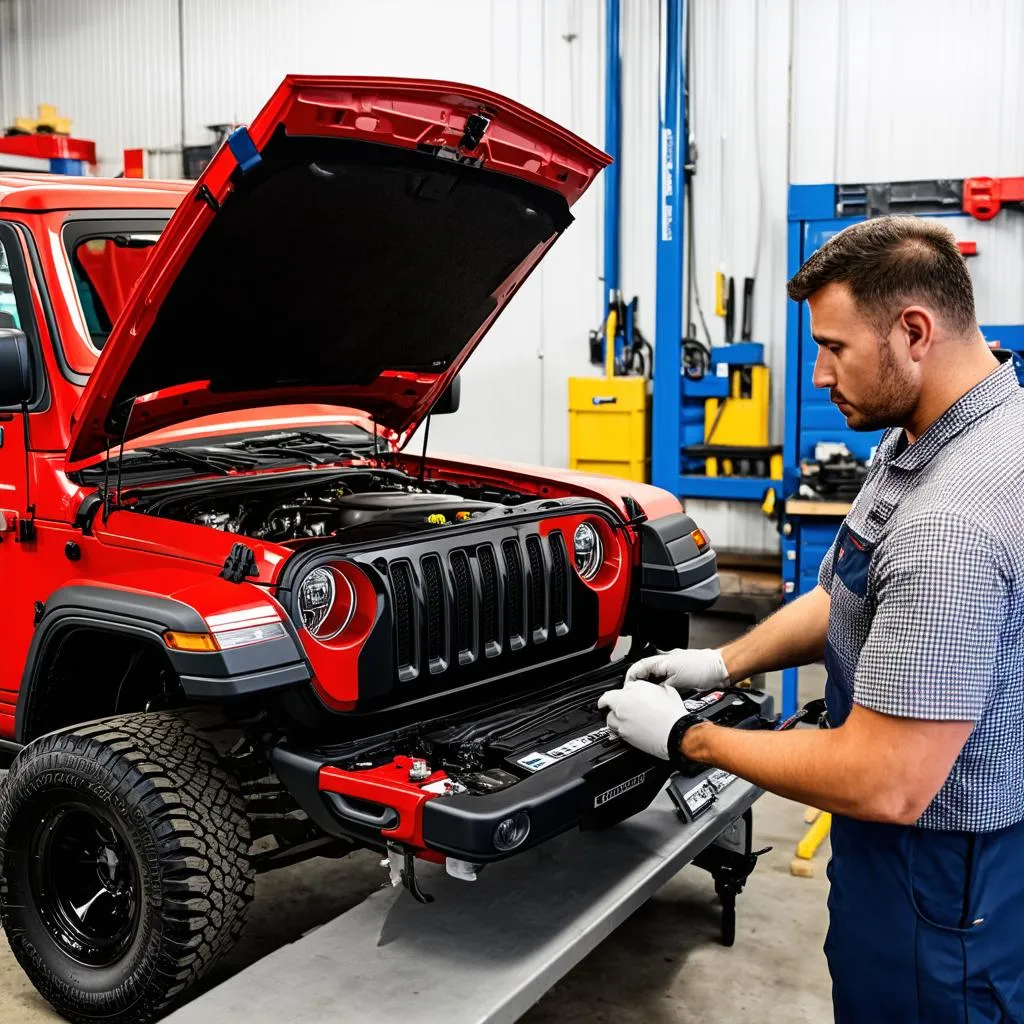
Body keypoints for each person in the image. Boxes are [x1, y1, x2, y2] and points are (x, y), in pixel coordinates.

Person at [599, 215, 1024, 1022]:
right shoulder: (937, 435)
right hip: (933, 854)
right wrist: (725, 665)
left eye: (834, 347)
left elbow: (885, 780)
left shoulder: (951, 523)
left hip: (935, 878)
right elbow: (844, 591)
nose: (819, 373)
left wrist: (688, 739)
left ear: (914, 331)